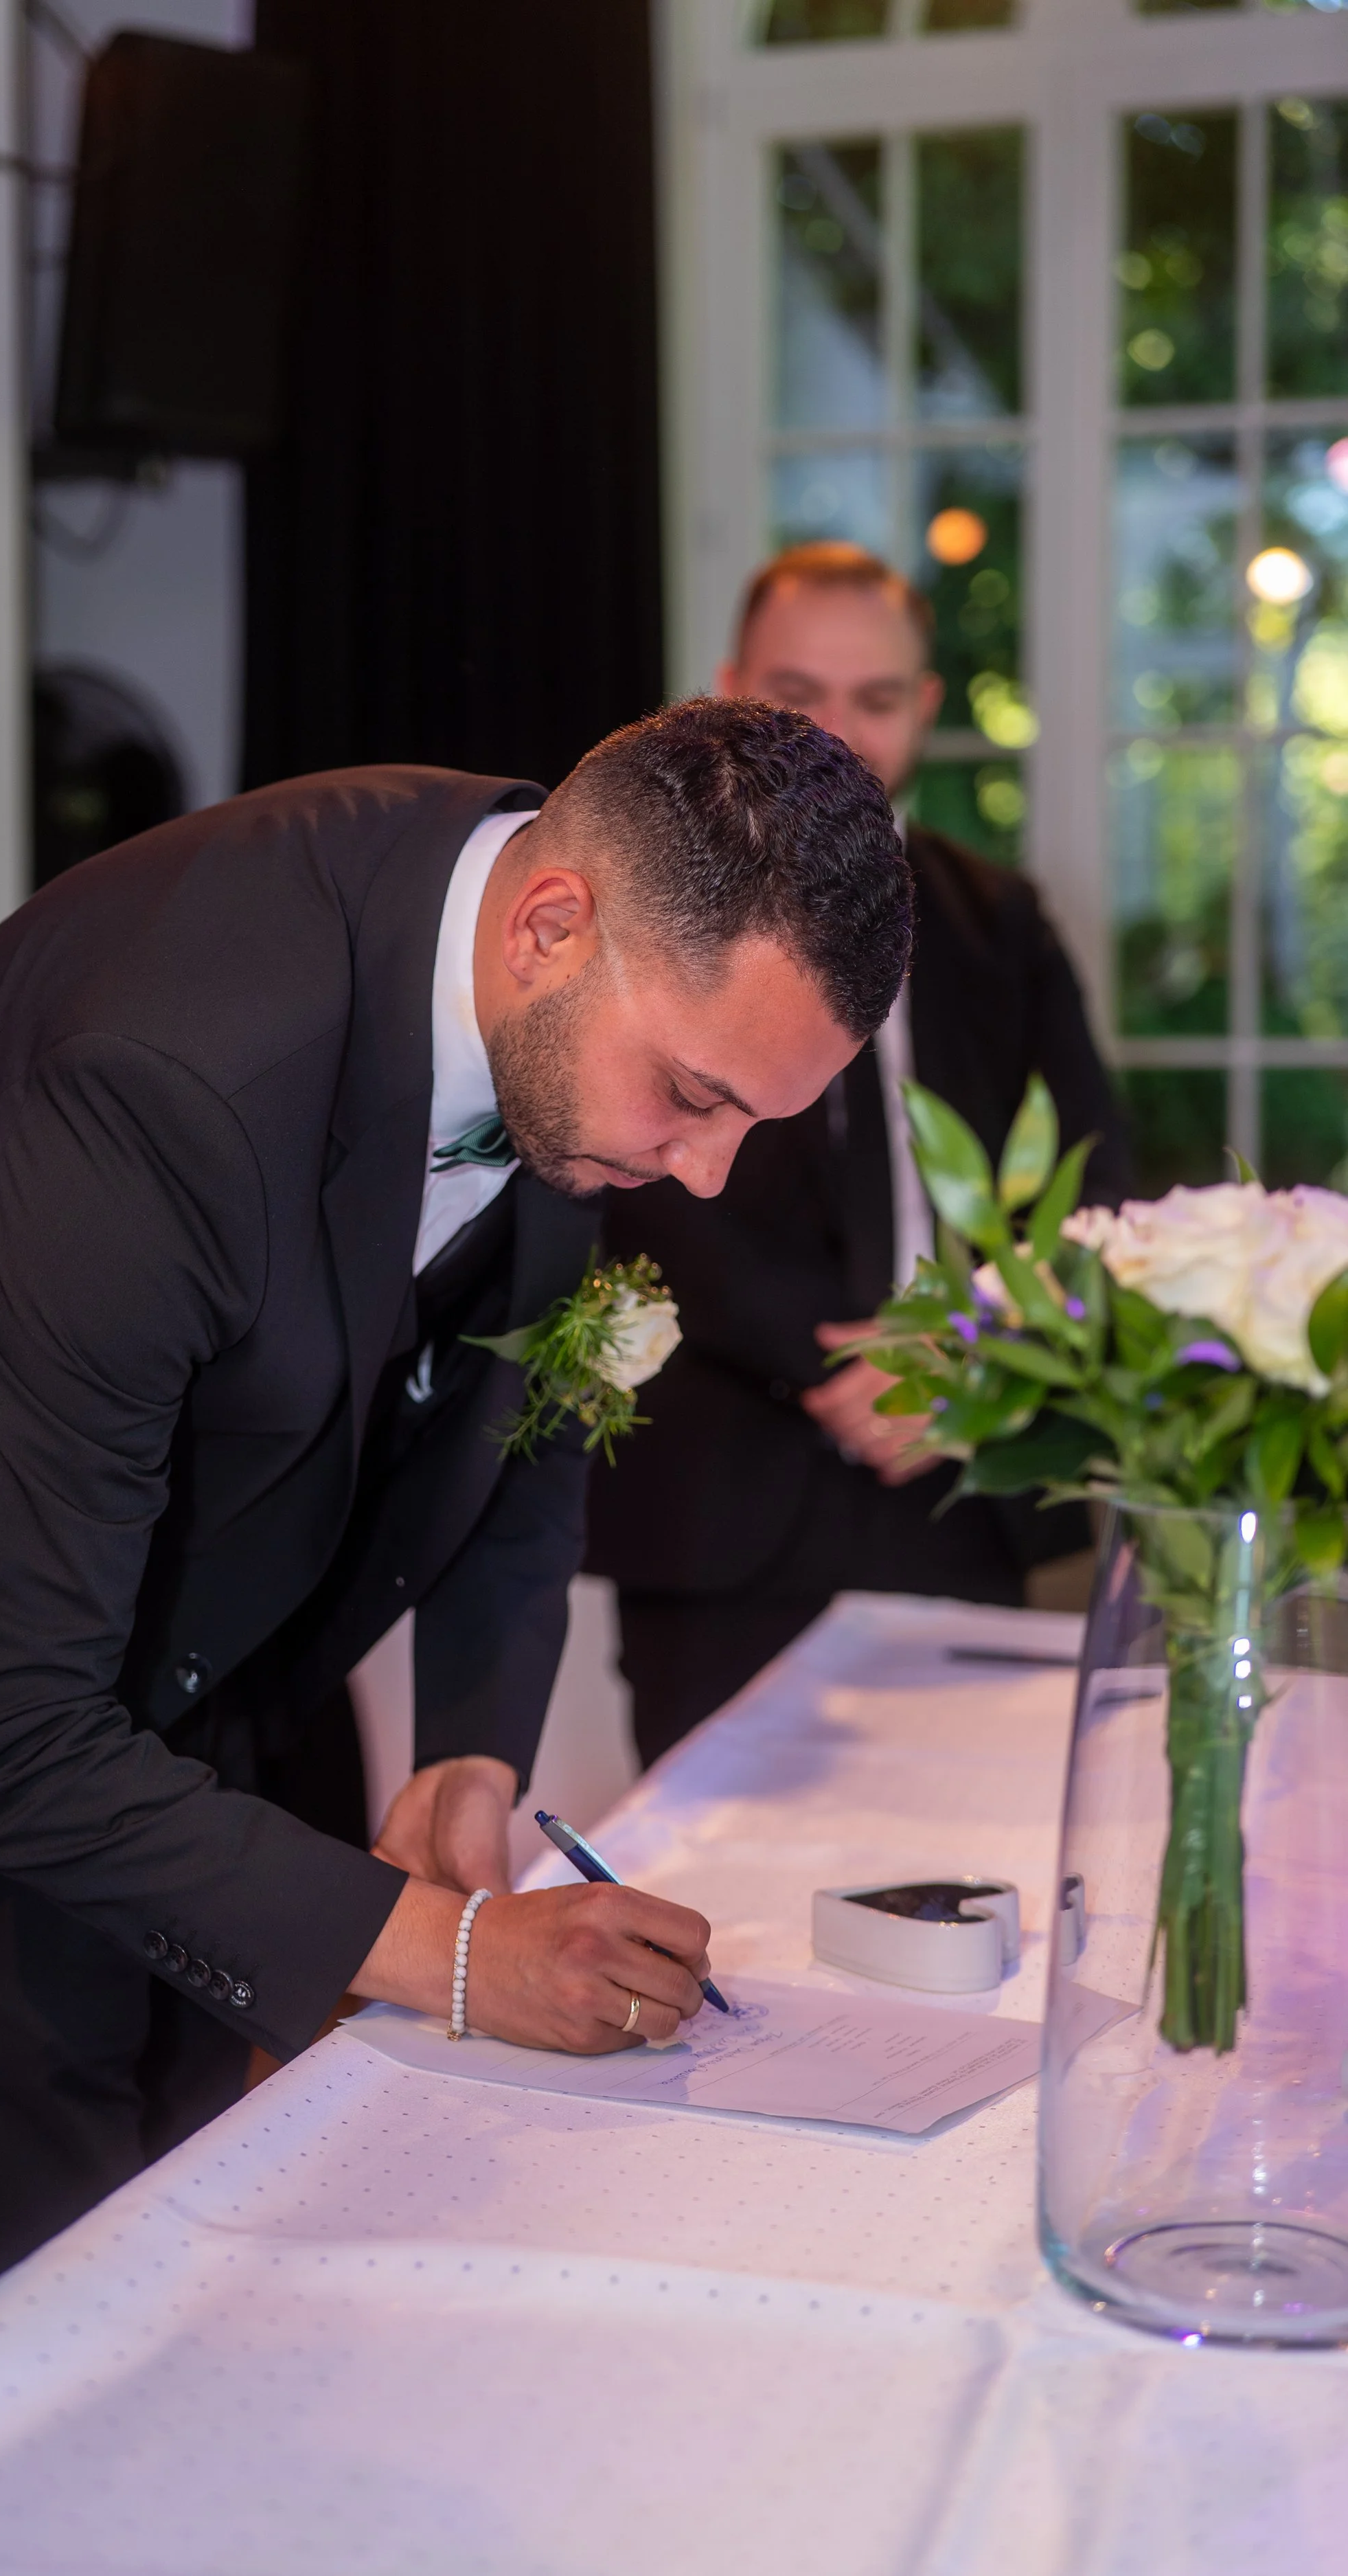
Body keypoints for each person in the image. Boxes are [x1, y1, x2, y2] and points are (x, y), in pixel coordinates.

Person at [0, 699, 911, 2369]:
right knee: (12, 2349)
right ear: (547, 926)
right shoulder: (160, 1077)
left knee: (203, 2257)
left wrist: (471, 1750)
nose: (709, 1177)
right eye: (691, 1097)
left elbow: (527, 1397)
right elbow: (2, 1724)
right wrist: (459, 1957)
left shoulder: (557, 977)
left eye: (753, 1120)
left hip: (200, 1628)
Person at [589, 545, 1132, 1768]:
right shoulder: (644, 905)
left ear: (926, 705)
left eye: (877, 698)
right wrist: (854, 1361)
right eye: (798, 693)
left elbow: (1095, 1182)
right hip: (726, 1499)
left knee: (971, 1855)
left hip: (961, 1473)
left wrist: (964, 1353)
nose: (839, 733)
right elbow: (637, 1166)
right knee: (710, 1866)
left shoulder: (999, 918)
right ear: (731, 688)